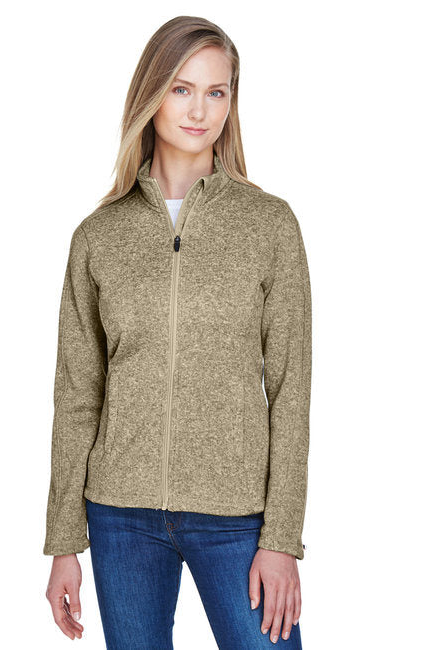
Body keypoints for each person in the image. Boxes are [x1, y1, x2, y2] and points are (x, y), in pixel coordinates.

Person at [43, 15, 311, 650]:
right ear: (151, 95)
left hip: (237, 516)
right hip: (120, 517)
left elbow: (292, 391)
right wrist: (63, 542)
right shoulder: (99, 237)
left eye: (217, 92)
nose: (199, 110)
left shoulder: (269, 226)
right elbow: (77, 395)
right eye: (182, 89)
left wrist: (281, 537)